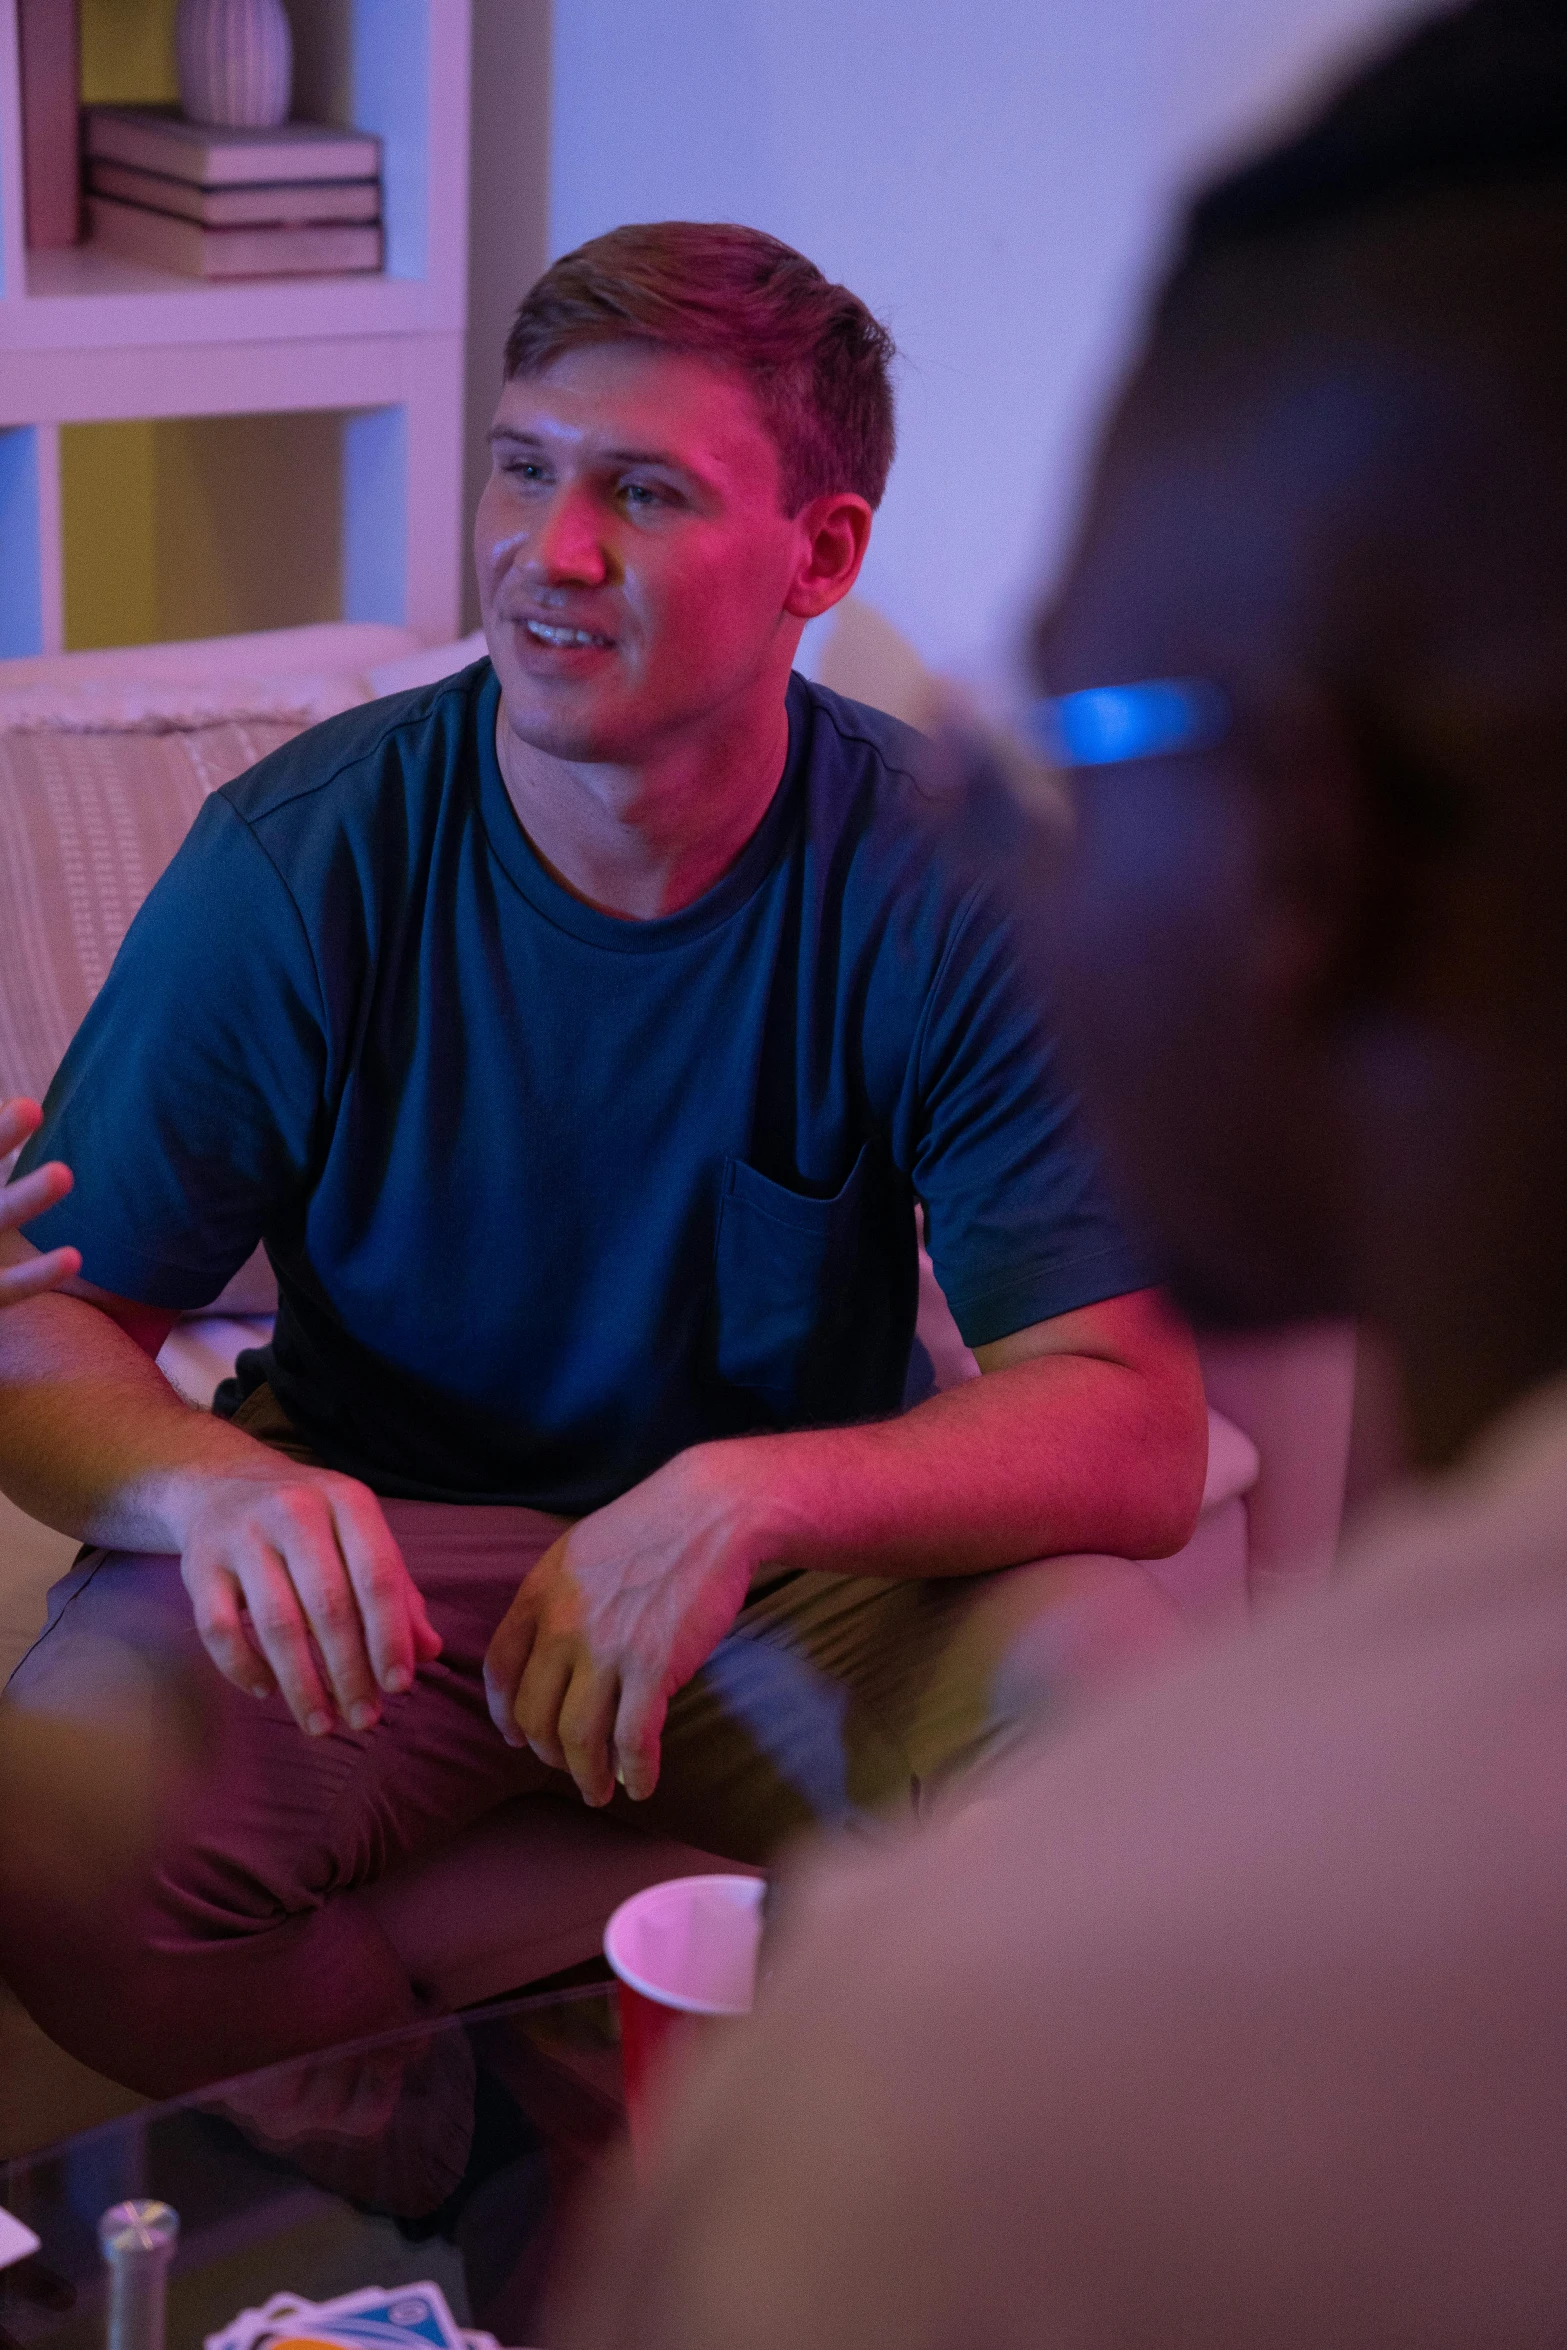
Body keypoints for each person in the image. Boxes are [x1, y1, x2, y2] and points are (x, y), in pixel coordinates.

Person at [545, 7, 1567, 2346]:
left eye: (1065, 732)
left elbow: (1108, 1422)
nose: (1005, 867)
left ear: (1305, 845)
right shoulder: (332, 854)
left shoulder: (1008, 2076)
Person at [0, 224, 1206, 2095]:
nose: (549, 552)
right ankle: (459, 2158)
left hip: (788, 1579)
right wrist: (204, 1489)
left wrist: (746, 1497)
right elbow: (39, 1332)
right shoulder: (299, 859)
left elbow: (1126, 1421)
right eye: (522, 465)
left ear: (819, 556)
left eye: (639, 491)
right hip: (374, 1560)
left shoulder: (946, 879)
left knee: (1127, 1737)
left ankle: (805, 2175)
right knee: (49, 1823)